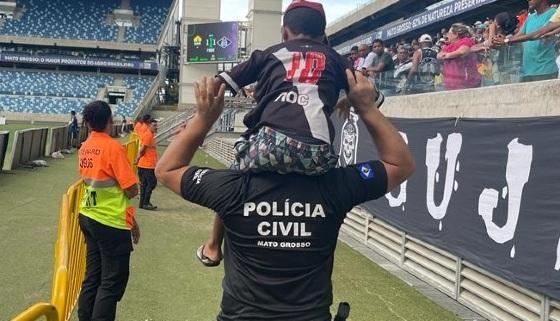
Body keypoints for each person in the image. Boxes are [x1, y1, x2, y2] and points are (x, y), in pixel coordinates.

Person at [155, 72, 415, 321]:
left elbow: (167, 170)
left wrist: (205, 117)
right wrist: (367, 108)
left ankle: (212, 247)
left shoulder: (234, 186)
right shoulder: (335, 185)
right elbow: (400, 165)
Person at [214, 0, 384, 176]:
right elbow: (374, 97)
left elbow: (217, 84)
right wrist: (349, 100)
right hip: (317, 155)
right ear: (323, 36)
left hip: (269, 146)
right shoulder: (336, 59)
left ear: (284, 32)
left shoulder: (269, 54)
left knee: (239, 162)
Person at [77, 100, 140, 321]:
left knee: (93, 277)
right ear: (109, 120)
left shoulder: (86, 146)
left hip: (88, 215)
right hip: (110, 221)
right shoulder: (113, 147)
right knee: (111, 282)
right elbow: (131, 189)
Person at [492, 0, 559, 81]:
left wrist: (506, 40)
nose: (528, 0)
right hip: (527, 72)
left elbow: (537, 34)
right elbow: (517, 37)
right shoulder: (530, 18)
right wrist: (503, 39)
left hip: (545, 71)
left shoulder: (553, 14)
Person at [437, 23, 481, 90]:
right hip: (451, 85)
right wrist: (447, 55)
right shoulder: (448, 47)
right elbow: (439, 55)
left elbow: (462, 51)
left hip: (466, 83)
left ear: (456, 35)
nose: (447, 35)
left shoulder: (466, 40)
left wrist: (448, 55)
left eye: (449, 33)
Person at [135, 119, 158, 210]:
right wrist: (138, 158)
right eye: (154, 125)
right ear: (149, 126)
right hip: (147, 165)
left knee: (144, 184)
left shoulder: (150, 135)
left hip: (145, 164)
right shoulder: (148, 135)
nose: (156, 127)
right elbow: (143, 149)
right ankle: (146, 202)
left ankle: (142, 203)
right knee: (152, 183)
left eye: (156, 125)